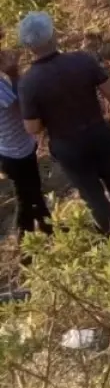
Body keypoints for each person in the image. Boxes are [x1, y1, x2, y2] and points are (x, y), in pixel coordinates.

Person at [17, 12, 110, 236]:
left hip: (68, 145)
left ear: (28, 46)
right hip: (98, 132)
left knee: (92, 194)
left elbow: (32, 128)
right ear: (53, 36)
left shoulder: (29, 83)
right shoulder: (81, 60)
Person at [0, 46, 51, 246]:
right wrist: (14, 75)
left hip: (12, 148)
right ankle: (24, 243)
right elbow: (24, 109)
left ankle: (48, 227)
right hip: (16, 152)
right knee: (25, 197)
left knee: (33, 191)